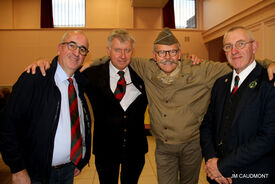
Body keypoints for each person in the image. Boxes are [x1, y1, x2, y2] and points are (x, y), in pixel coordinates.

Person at [26, 28, 275, 184]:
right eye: (161, 53)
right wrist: (59, 63)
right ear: (153, 56)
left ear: (180, 53)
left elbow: (237, 64)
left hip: (191, 146)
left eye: (172, 52)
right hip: (161, 148)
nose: (166, 57)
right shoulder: (142, 68)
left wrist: (270, 63)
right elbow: (111, 59)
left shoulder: (202, 69)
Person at [0, 30, 92, 184]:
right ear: (59, 48)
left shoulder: (80, 83)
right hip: (36, 174)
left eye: (82, 49)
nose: (76, 52)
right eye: (71, 45)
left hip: (68, 171)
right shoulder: (35, 77)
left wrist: (80, 161)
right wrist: (17, 168)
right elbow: (6, 124)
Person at [200, 26, 275, 184]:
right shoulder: (220, 83)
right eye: (228, 46)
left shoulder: (269, 83)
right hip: (218, 177)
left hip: (253, 176)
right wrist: (212, 160)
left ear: (254, 46)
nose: (234, 51)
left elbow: (269, 137)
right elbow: (207, 125)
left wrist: (222, 166)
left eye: (241, 44)